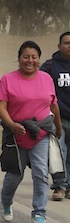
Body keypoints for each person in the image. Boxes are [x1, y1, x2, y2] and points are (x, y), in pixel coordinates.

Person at [0, 40, 62, 223]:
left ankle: (39, 214)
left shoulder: (46, 79)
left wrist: (58, 128)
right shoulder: (7, 79)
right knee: (14, 175)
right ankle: (6, 201)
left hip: (40, 134)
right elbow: (1, 107)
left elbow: (53, 105)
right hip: (16, 135)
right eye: (26, 56)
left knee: (41, 173)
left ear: (39, 59)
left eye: (34, 57)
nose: (30, 60)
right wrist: (11, 124)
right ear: (19, 58)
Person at [41, 31, 70, 201]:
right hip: (57, 117)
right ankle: (59, 186)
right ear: (59, 46)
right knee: (59, 152)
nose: (69, 46)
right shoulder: (50, 66)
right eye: (66, 43)